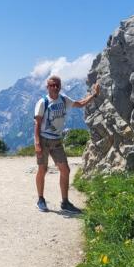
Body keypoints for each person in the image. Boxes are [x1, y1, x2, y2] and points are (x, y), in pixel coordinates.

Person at [34, 75, 100, 213]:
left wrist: (94, 94)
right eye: (52, 85)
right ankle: (40, 199)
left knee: (65, 170)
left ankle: (65, 202)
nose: (55, 87)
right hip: (44, 140)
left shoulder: (64, 99)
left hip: (57, 140)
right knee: (42, 170)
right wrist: (37, 142)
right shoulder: (43, 102)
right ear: (47, 87)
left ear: (60, 86)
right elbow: (37, 123)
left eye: (57, 85)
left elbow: (80, 104)